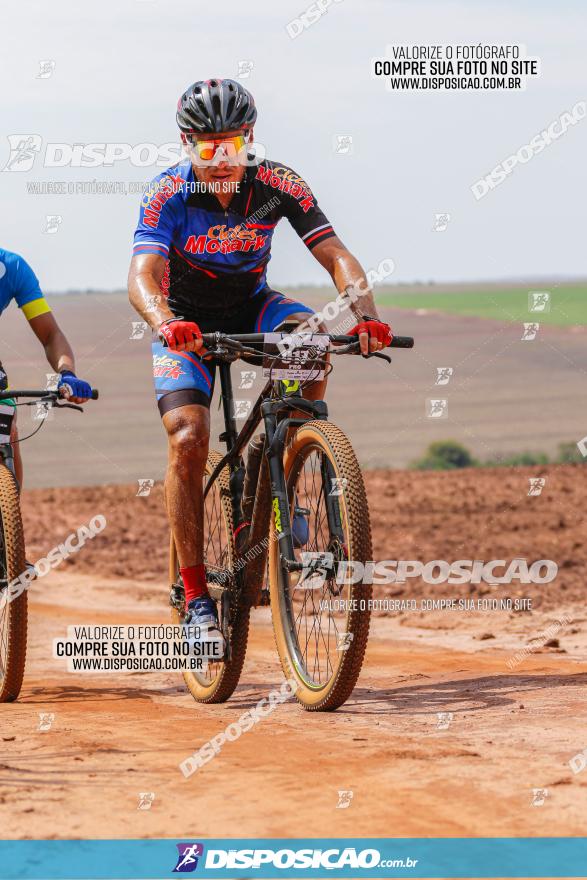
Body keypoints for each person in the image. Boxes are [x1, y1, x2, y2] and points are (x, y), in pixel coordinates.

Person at [128, 78, 392, 640]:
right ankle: (197, 595)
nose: (221, 158)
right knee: (188, 438)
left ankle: (289, 463)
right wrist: (164, 321)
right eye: (206, 146)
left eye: (233, 144)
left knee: (313, 342)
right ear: (185, 143)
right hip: (185, 322)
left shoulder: (278, 183)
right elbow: (143, 276)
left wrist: (362, 314)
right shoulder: (166, 193)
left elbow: (336, 254)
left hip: (252, 305)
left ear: (251, 138)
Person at [0, 247, 93, 488]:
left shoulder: (12, 267)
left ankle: (10, 522)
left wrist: (67, 373)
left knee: (7, 432)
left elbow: (51, 334)